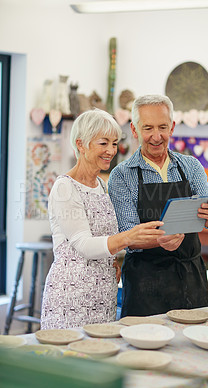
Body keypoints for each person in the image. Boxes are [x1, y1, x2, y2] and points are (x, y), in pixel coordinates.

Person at [40, 109, 164, 329]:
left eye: (114, 143)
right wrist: (128, 237)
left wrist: (114, 260)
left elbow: (103, 238)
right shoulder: (65, 188)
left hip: (102, 295)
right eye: (103, 143)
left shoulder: (101, 186)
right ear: (81, 144)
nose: (111, 151)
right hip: (71, 298)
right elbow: (84, 245)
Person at [108, 94, 208, 317]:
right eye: (147, 128)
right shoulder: (121, 176)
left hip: (190, 278)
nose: (156, 136)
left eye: (162, 127)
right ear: (134, 130)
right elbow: (128, 236)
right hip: (145, 283)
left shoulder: (191, 166)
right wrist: (160, 240)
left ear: (172, 127)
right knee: (144, 348)